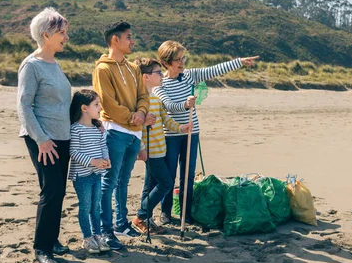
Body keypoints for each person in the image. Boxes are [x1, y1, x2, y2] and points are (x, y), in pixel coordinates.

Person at [154, 40, 259, 224]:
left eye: (183, 58)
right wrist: (185, 105)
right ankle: (165, 212)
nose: (182, 62)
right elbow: (169, 106)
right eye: (177, 59)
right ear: (165, 62)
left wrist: (239, 61)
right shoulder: (159, 84)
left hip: (191, 133)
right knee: (169, 175)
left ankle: (186, 214)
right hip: (171, 135)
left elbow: (214, 69)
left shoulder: (189, 76)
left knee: (188, 173)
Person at [17, 7, 72, 263]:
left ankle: (52, 239)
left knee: (59, 191)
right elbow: (24, 105)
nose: (66, 37)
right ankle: (42, 247)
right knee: (51, 191)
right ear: (46, 34)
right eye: (62, 32)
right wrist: (41, 139)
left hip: (62, 137)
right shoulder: (32, 65)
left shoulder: (54, 63)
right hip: (42, 139)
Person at [92, 21, 150, 249]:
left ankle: (121, 224)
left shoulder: (133, 68)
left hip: (134, 134)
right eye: (128, 37)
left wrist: (142, 112)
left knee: (124, 181)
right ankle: (106, 231)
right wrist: (132, 117)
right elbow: (107, 103)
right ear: (115, 40)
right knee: (109, 182)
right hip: (114, 132)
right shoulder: (102, 69)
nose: (132, 41)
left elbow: (143, 96)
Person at [133, 58, 192, 234]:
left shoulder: (156, 98)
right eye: (158, 73)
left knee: (149, 186)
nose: (161, 75)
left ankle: (146, 219)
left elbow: (165, 119)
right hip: (150, 151)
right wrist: (141, 147)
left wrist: (181, 127)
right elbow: (136, 128)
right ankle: (141, 216)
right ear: (145, 77)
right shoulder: (139, 101)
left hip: (161, 150)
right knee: (166, 182)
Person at [68, 89, 111, 254]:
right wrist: (93, 162)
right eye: (96, 104)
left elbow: (103, 146)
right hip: (82, 176)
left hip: (96, 174)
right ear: (84, 108)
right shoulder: (76, 129)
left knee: (95, 206)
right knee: (85, 207)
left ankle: (98, 235)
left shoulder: (97, 128)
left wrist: (106, 160)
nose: (100, 107)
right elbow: (74, 152)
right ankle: (87, 238)